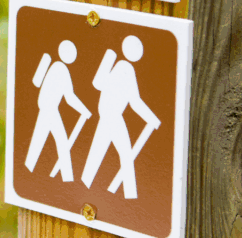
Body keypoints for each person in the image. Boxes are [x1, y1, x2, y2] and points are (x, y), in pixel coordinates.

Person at [80, 35, 160, 199]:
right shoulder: (125, 69)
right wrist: (151, 118)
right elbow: (134, 101)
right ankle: (130, 196)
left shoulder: (118, 66)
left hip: (106, 116)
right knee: (125, 154)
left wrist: (151, 118)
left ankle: (84, 185)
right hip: (113, 117)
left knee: (97, 153)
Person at [25, 40, 92, 182]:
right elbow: (69, 97)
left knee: (39, 141)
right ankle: (67, 178)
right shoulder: (61, 69)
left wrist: (83, 110)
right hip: (49, 110)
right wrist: (84, 110)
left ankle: (28, 168)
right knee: (61, 142)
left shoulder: (56, 66)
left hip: (46, 108)